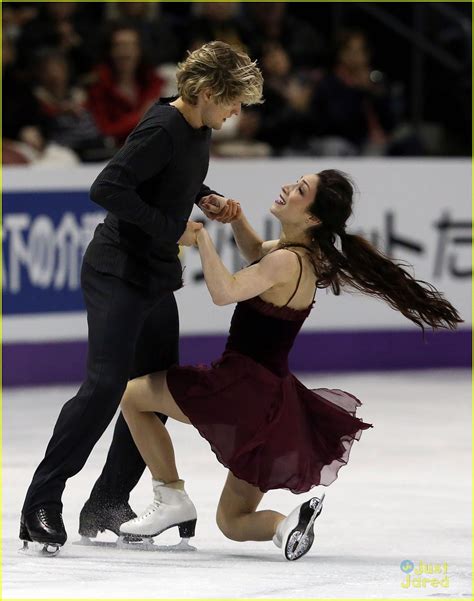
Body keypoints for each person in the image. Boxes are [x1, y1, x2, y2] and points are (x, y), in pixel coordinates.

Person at [115, 169, 462, 560]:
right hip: (274, 404)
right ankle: (286, 526)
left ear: (312, 218)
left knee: (131, 396)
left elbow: (224, 292)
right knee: (233, 520)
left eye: (299, 190)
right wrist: (235, 219)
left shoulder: (285, 261)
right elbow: (256, 256)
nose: (287, 188)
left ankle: (170, 495)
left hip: (238, 388)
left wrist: (200, 238)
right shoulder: (302, 255)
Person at [20, 41, 263, 553]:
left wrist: (203, 197)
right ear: (207, 92)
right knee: (106, 386)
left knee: (150, 391)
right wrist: (172, 227)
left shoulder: (195, 127)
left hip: (153, 277)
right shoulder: (163, 126)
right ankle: (41, 502)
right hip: (117, 272)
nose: (237, 113)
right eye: (233, 101)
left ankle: (108, 500)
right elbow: (107, 188)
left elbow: (168, 177)